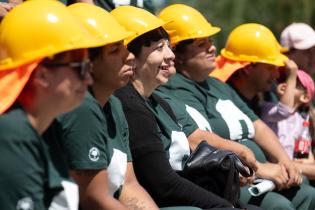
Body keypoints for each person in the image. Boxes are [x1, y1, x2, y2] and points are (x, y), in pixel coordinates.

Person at [157, 4, 315, 210]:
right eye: (201, 44)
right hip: (234, 180)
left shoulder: (218, 85)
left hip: (263, 175)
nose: (212, 48)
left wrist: (285, 162)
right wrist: (260, 168)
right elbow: (197, 137)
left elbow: (257, 125)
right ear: (177, 53)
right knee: (279, 207)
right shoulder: (174, 88)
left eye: (211, 42)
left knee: (310, 196)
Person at [44, 3, 200, 210]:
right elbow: (94, 199)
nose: (129, 56)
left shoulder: (114, 105)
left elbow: (128, 186)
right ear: (87, 61)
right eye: (114, 50)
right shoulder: (82, 109)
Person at [111, 5, 261, 210]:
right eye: (158, 48)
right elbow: (163, 185)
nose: (170, 55)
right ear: (130, 57)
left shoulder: (159, 102)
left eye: (168, 46)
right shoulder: (131, 105)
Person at [0, 0, 104, 209]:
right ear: (43, 74)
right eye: (80, 68)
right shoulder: (12, 134)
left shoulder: (36, 128)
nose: (89, 80)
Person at [259, 64, 315, 180]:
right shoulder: (267, 108)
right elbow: (283, 110)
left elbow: (304, 150)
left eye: (294, 83)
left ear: (305, 98)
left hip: (289, 169)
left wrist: (307, 159)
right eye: (284, 79)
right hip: (270, 168)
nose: (286, 83)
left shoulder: (301, 122)